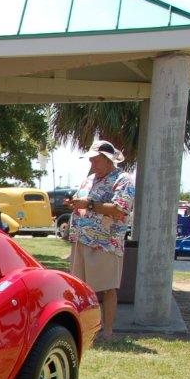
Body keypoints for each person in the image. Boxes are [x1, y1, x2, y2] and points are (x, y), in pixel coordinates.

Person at [68, 140, 134, 342]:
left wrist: (88, 204)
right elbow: (82, 201)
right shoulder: (90, 179)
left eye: (95, 160)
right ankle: (86, 329)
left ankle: (107, 331)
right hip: (81, 240)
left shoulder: (123, 180)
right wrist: (75, 204)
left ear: (108, 160)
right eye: (91, 160)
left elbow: (119, 209)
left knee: (107, 287)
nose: (92, 164)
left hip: (105, 242)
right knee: (81, 287)